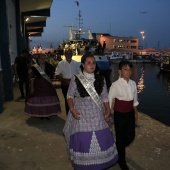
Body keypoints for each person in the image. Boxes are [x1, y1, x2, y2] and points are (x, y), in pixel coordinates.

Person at [63, 53, 118, 170]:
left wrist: (108, 111)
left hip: (97, 111)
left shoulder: (101, 79)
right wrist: (72, 109)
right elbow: (69, 96)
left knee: (102, 137)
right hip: (81, 110)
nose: (91, 65)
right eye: (88, 63)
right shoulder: (76, 79)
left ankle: (99, 164)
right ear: (83, 65)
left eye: (93, 63)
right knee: (83, 139)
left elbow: (104, 97)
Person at [108, 60, 139, 170]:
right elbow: (110, 100)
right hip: (119, 114)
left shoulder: (133, 84)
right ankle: (122, 161)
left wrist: (136, 114)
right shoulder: (115, 85)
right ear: (120, 71)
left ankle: (118, 147)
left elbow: (135, 100)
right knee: (121, 138)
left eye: (130, 69)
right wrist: (108, 114)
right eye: (125, 69)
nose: (128, 71)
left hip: (130, 113)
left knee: (131, 136)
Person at [25, 54, 61, 119]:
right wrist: (32, 87)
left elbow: (52, 75)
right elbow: (32, 78)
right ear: (38, 59)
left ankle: (48, 114)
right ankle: (40, 113)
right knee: (38, 99)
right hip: (38, 85)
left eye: (44, 58)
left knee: (48, 99)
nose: (43, 60)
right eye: (41, 58)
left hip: (47, 85)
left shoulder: (49, 66)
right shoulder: (34, 67)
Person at [54, 49, 80, 115]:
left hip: (75, 85)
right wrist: (64, 80)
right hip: (65, 85)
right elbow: (57, 74)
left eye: (70, 53)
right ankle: (69, 116)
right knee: (67, 100)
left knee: (76, 100)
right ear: (65, 54)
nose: (68, 55)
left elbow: (80, 74)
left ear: (72, 54)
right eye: (67, 53)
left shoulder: (76, 63)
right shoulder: (61, 64)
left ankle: (76, 114)